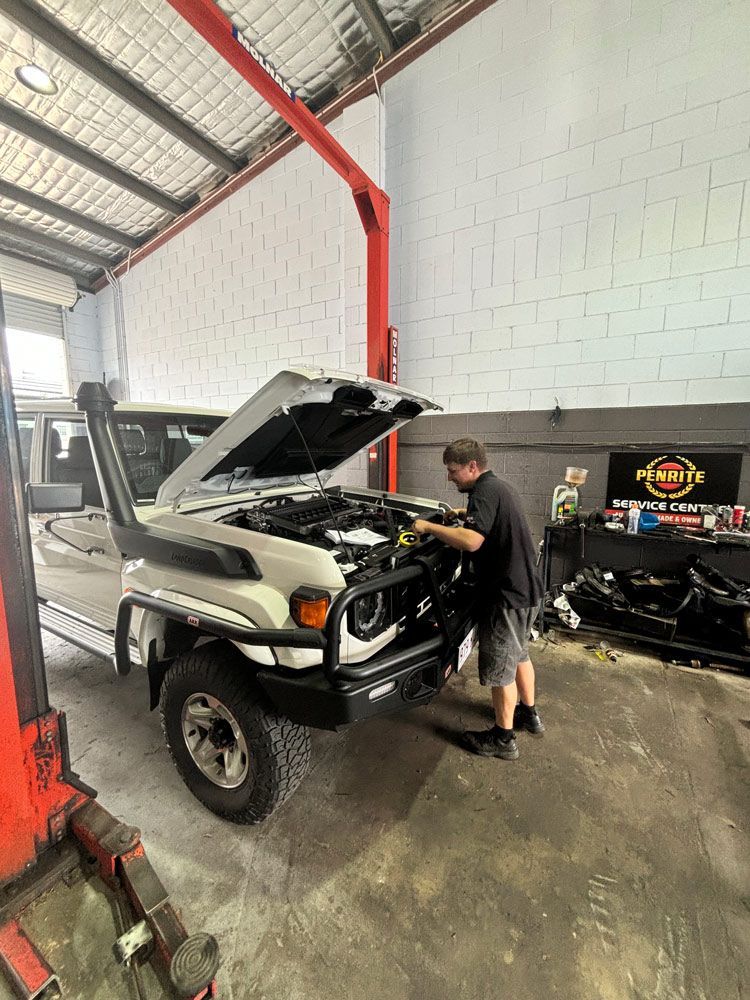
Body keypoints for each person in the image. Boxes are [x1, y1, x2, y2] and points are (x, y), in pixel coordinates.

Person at [411, 437, 544, 760]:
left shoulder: (484, 492)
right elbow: (486, 520)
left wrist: (428, 527)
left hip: (506, 597)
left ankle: (503, 739)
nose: (449, 477)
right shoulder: (497, 487)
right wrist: (461, 513)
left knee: (501, 670)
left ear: (473, 466)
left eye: (453, 470)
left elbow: (470, 541)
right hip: (528, 591)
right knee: (520, 654)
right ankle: (529, 714)